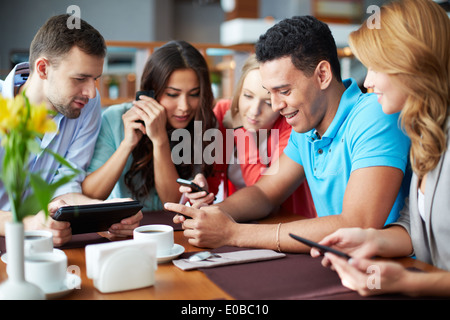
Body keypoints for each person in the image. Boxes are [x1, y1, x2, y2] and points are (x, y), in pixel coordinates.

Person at [165, 15, 411, 252]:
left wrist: (234, 233)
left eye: (284, 91)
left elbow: (357, 223)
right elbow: (265, 193)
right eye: (269, 92)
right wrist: (215, 213)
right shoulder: (307, 127)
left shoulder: (374, 113)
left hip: (390, 272)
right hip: (342, 265)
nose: (275, 105)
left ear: (322, 75)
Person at [311, 0, 450, 297]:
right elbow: (416, 224)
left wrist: (407, 282)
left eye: (376, 67)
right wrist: (372, 240)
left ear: (412, 63)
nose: (368, 81)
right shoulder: (425, 133)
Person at [0, 14, 142, 246]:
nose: (92, 93)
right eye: (80, 78)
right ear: (43, 68)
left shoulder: (85, 105)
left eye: (95, 79)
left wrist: (111, 211)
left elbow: (66, 187)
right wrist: (29, 225)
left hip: (46, 242)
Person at [82, 40, 219, 211]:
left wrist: (159, 140)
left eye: (194, 94)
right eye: (172, 94)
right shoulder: (115, 119)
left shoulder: (204, 124)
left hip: (176, 230)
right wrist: (127, 145)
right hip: (126, 229)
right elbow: (89, 196)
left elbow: (173, 203)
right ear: (150, 91)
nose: (184, 106)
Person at [182, 54, 316, 218]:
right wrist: (202, 192)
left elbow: (263, 192)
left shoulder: (290, 126)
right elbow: (212, 181)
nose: (254, 111)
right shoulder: (225, 111)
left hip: (288, 221)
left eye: (267, 103)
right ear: (239, 92)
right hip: (239, 218)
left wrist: (240, 128)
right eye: (247, 96)